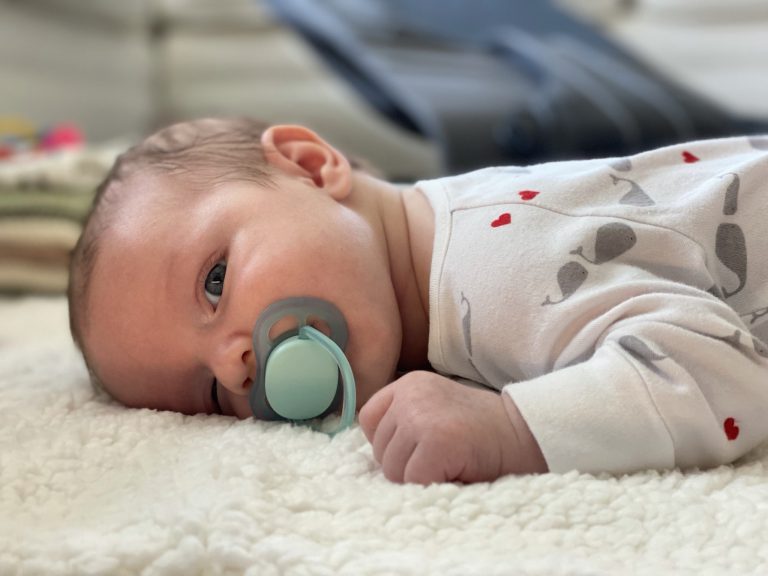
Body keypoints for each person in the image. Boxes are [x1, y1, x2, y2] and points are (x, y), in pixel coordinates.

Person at [68, 117, 768, 484]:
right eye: (208, 394)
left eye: (216, 281)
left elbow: (722, 372)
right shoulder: (446, 243)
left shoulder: (493, 270)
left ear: (311, 167)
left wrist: (511, 429)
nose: (235, 367)